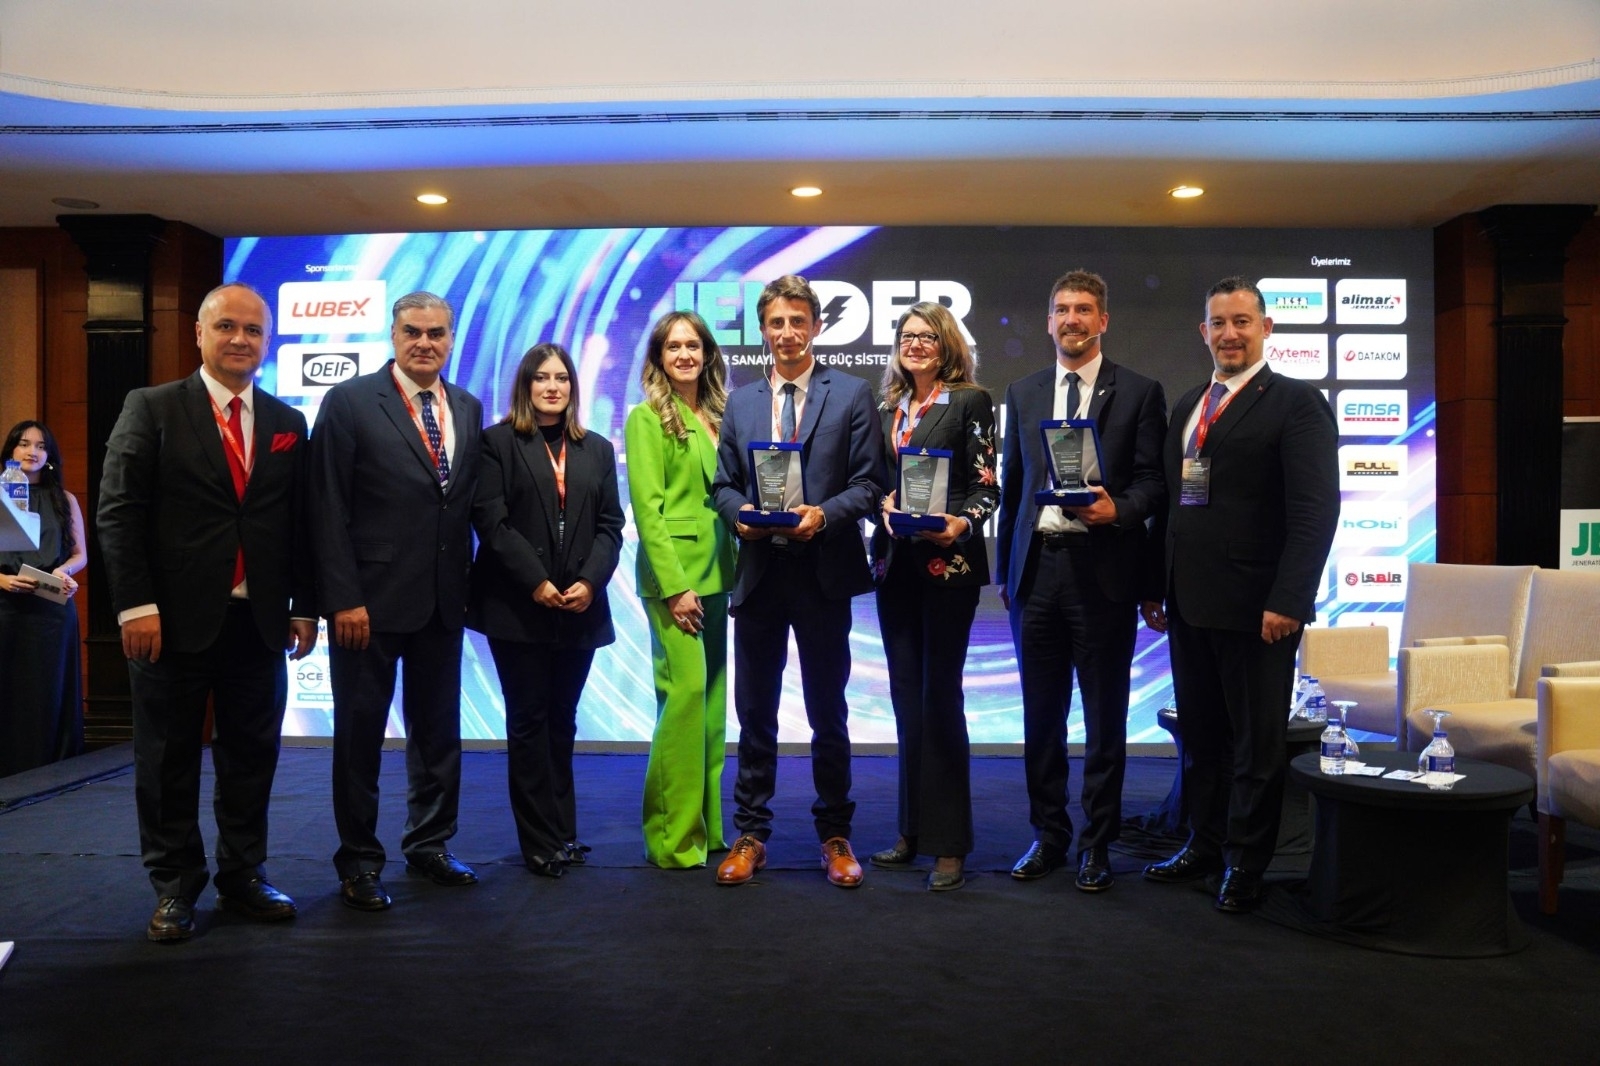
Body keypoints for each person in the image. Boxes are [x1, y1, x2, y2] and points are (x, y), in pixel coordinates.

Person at [98, 283, 317, 942]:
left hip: (259, 622)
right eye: (226, 326)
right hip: (168, 624)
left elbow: (298, 523)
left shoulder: (287, 421)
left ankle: (243, 875)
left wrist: (305, 607)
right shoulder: (152, 407)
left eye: (252, 329)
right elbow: (119, 512)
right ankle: (175, 887)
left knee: (251, 756)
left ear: (266, 341)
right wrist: (135, 606)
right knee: (167, 760)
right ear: (199, 333)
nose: (240, 339)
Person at [1140, 275, 1339, 913]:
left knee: (1256, 744)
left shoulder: (1297, 403)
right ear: (1204, 332)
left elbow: (1315, 512)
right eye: (1219, 323)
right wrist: (1155, 586)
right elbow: (1173, 507)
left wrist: (1290, 599)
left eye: (1242, 322)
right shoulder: (1190, 405)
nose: (1230, 334)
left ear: (1265, 329)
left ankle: (1245, 864)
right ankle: (1203, 843)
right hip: (1188, 602)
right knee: (1201, 737)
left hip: (1259, 609)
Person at [710, 274, 887, 888]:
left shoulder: (853, 394)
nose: (787, 333)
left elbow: (869, 484)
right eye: (776, 323)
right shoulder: (742, 402)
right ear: (763, 331)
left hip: (822, 574)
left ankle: (835, 835)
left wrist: (824, 515)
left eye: (797, 321)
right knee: (755, 713)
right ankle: (751, 833)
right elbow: (723, 486)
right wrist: (740, 515)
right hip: (761, 574)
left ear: (816, 326)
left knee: (827, 712)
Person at [310, 290, 484, 911]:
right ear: (393, 334)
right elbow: (325, 505)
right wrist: (342, 599)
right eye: (413, 331)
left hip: (442, 602)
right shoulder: (351, 401)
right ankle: (359, 860)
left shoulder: (467, 405)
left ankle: (430, 844)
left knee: (438, 735)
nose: (425, 343)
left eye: (436, 333)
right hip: (367, 606)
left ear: (451, 339)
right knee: (359, 739)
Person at [995, 269, 1167, 893]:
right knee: (1041, 719)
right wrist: (1006, 574)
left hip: (1103, 573)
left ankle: (1096, 844)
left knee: (1104, 718)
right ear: (1049, 321)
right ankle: (1048, 836)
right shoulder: (1024, 392)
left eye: (1085, 309)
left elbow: (1155, 484)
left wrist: (1117, 510)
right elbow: (1014, 487)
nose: (1073, 319)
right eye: (1062, 309)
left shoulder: (1139, 392)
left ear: (1103, 320)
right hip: (1037, 570)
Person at [470, 343, 623, 877]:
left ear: (573, 387)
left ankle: (563, 832)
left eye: (561, 378)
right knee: (528, 720)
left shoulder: (596, 449)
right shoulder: (497, 443)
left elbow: (611, 527)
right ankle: (538, 841)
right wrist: (535, 581)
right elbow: (492, 522)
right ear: (525, 386)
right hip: (518, 605)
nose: (552, 387)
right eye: (541, 378)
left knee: (563, 720)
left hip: (580, 605)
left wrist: (589, 582)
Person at [864, 303, 997, 892]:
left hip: (948, 568)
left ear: (946, 346)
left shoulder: (969, 401)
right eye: (907, 335)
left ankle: (949, 845)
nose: (915, 344)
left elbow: (987, 486)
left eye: (927, 337)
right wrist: (882, 504)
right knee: (906, 702)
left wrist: (961, 522)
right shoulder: (887, 406)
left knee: (940, 701)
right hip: (895, 568)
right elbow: (871, 482)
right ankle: (911, 831)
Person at [624, 312, 736, 870]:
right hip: (677, 583)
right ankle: (671, 838)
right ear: (659, 357)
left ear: (708, 353)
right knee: (685, 701)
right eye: (674, 347)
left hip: (719, 575)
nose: (685, 355)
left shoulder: (719, 414)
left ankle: (707, 828)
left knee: (711, 708)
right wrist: (674, 587)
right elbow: (648, 510)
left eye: (693, 345)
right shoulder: (646, 418)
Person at [0, 420, 86, 776]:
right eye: (23, 444)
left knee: (48, 692)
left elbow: (80, 554)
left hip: (51, 609)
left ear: (49, 455)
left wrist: (63, 572)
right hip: (5, 607)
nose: (31, 452)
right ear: (10, 450)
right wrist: (2, 579)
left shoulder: (64, 499)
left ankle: (52, 772)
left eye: (40, 446)